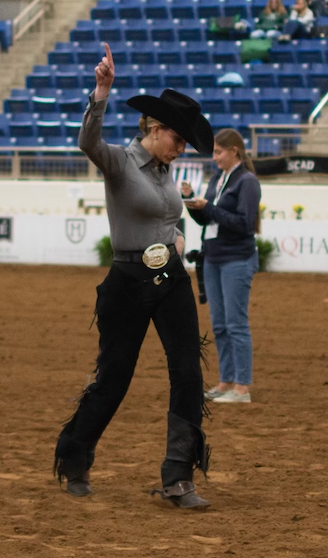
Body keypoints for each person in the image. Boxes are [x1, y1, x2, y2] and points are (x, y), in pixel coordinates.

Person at [54, 42, 216, 509]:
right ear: (156, 128)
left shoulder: (166, 172)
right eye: (178, 138)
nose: (182, 147)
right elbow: (87, 142)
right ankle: (75, 454)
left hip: (171, 278)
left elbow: (167, 215)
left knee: (187, 371)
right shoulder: (121, 163)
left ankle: (178, 477)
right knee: (115, 377)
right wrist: (101, 92)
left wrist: (177, 237)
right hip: (126, 282)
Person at [181, 129, 262, 405]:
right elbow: (207, 220)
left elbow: (244, 223)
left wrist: (209, 208)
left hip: (236, 258)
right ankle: (226, 381)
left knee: (236, 324)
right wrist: (192, 202)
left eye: (218, 152)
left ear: (233, 151)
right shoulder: (218, 179)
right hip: (214, 257)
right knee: (220, 325)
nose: (214, 157)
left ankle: (242, 388)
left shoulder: (247, 182)